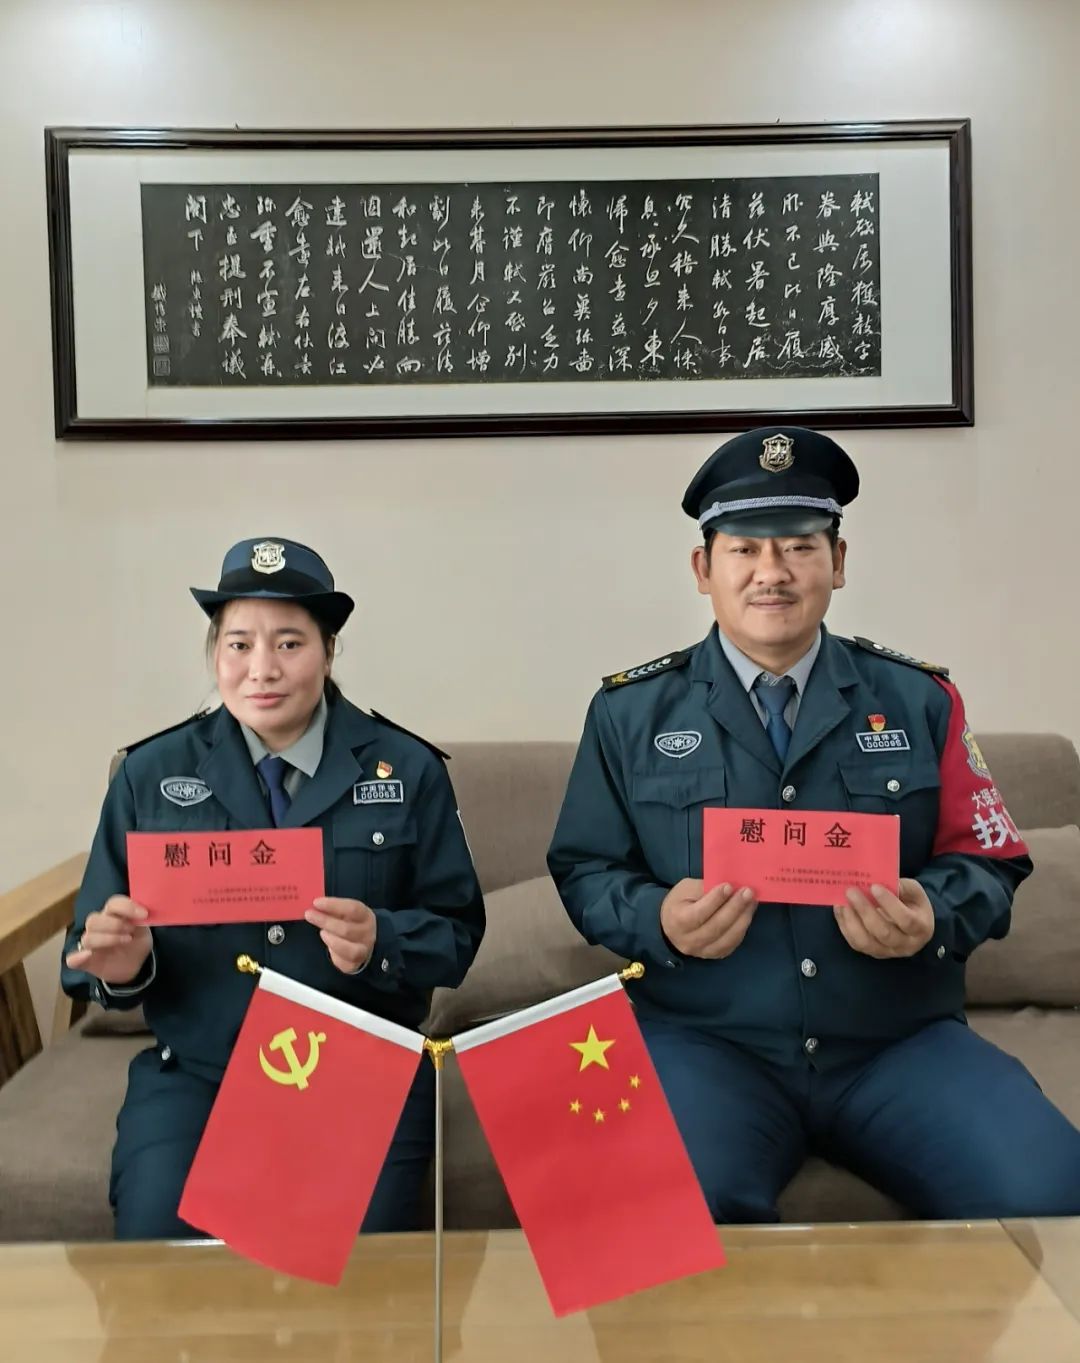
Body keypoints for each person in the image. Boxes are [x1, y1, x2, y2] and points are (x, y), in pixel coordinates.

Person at [547, 427, 1080, 1221]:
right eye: (744, 550)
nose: (772, 572)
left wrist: (932, 912)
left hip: (896, 1042)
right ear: (704, 569)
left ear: (838, 560)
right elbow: (585, 868)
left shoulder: (919, 700)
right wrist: (656, 917)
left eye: (799, 546)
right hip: (705, 1041)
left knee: (1051, 1191)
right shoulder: (630, 713)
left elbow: (990, 858)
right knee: (654, 1215)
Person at [62, 537, 484, 1239]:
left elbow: (458, 935)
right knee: (158, 1270)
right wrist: (125, 966)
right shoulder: (150, 775)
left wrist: (381, 941)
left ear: (329, 651)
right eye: (238, 645)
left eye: (289, 643)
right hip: (201, 1074)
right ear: (214, 654)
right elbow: (85, 948)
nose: (262, 669)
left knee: (363, 1281)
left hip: (360, 1070)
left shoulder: (407, 770)